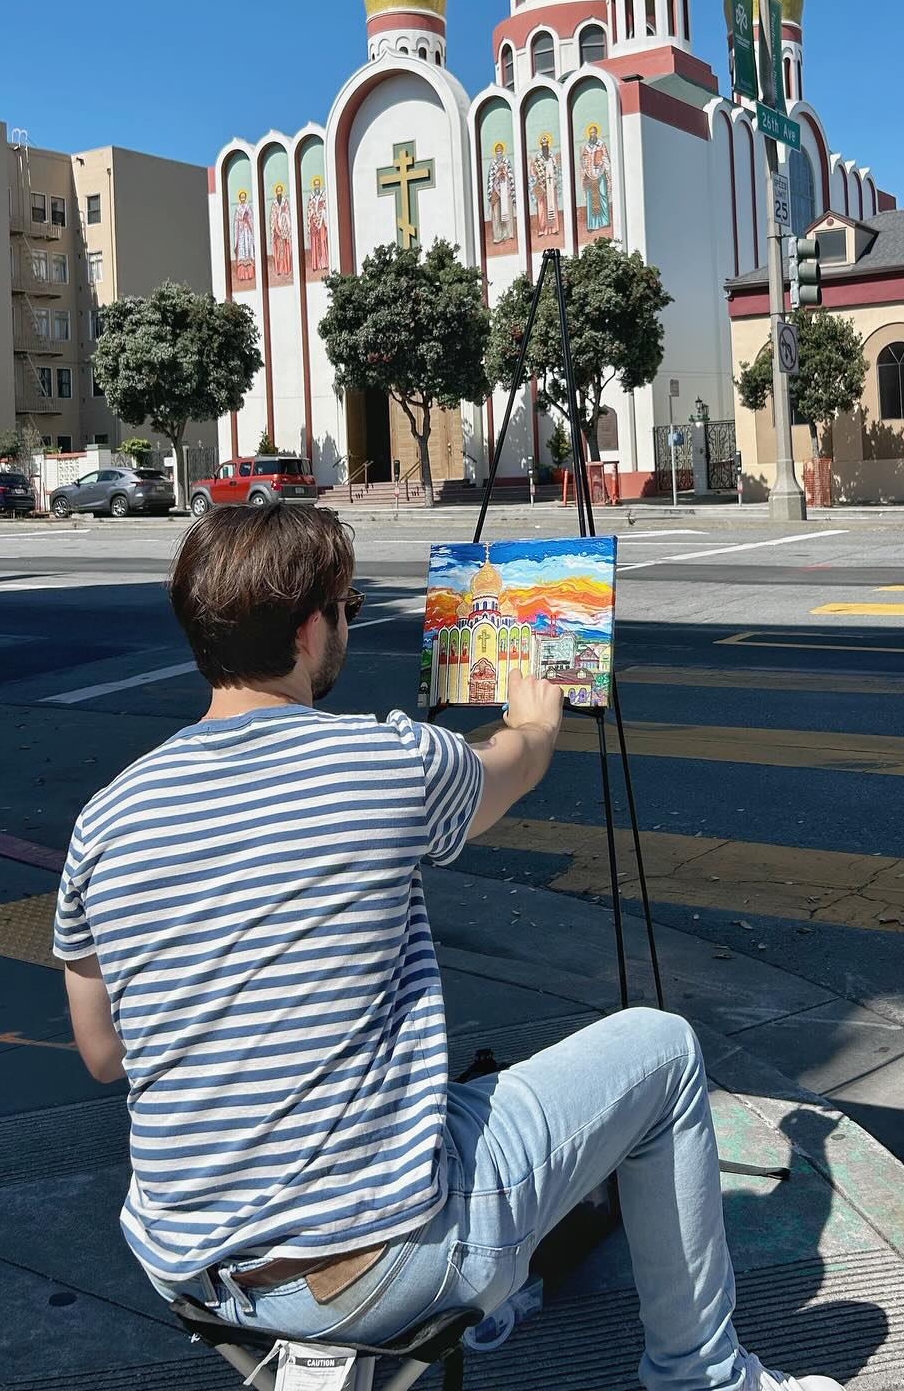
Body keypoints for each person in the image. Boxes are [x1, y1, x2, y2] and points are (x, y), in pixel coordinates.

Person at [54, 504, 840, 1391]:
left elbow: (103, 1053)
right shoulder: (384, 763)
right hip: (380, 1267)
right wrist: (535, 716)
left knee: (448, 1094)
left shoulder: (107, 817)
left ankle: (499, 1302)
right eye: (347, 607)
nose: (348, 623)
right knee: (661, 1051)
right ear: (309, 630)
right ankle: (706, 1377)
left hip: (192, 1274)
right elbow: (519, 761)